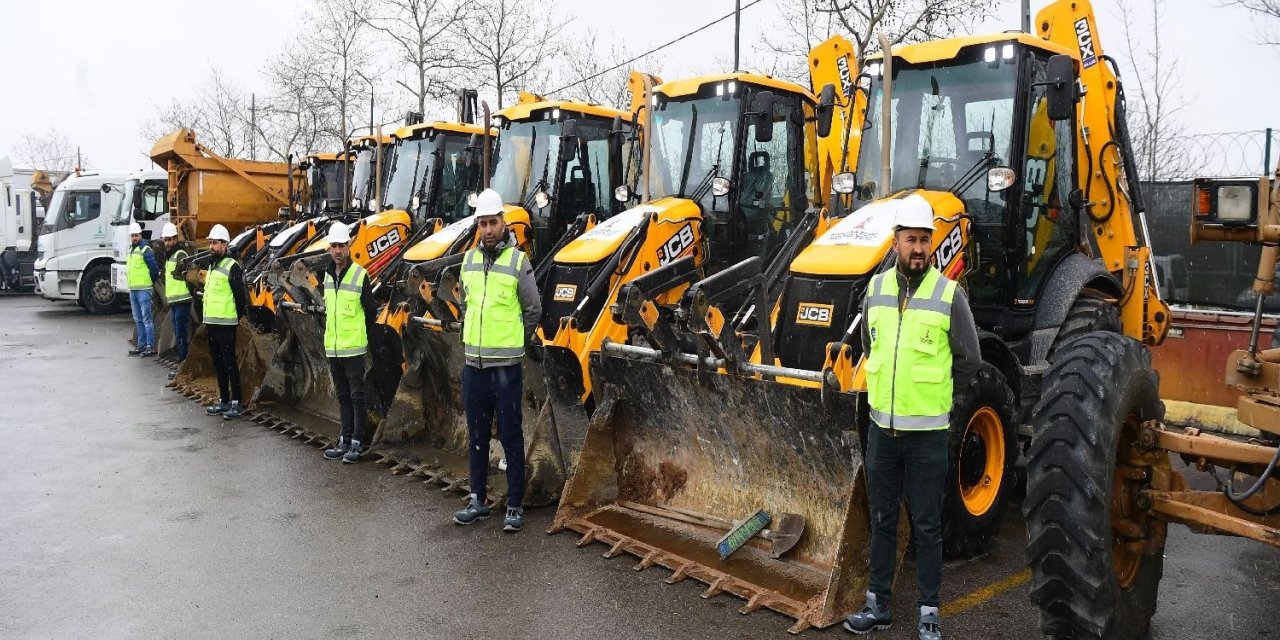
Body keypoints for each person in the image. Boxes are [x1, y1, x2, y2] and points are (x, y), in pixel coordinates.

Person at [845, 195, 980, 640]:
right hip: (883, 432)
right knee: (883, 520)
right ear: (896, 243)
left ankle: (928, 613)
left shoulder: (948, 295)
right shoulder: (876, 289)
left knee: (926, 526)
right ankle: (877, 605)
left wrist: (939, 405)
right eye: (910, 240)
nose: (917, 248)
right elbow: (869, 345)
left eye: (924, 240)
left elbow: (968, 362)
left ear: (931, 244)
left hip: (927, 437)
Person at [452, 188, 541, 532]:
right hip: (473, 367)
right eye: (483, 223)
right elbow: (466, 304)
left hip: (505, 368)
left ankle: (514, 503)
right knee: (476, 434)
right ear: (478, 225)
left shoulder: (519, 262)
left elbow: (533, 310)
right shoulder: (469, 261)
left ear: (503, 223)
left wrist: (515, 343)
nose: (488, 229)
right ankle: (478, 499)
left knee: (510, 435)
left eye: (493, 222)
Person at [318, 223, 378, 464]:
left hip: (353, 347)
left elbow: (371, 312)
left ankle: (357, 441)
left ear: (349, 246)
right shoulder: (327, 275)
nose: (337, 251)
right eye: (333, 246)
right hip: (333, 347)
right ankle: (344, 438)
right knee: (342, 395)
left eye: (341, 246)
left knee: (356, 395)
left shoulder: (360, 275)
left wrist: (357, 334)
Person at [202, 224, 249, 421]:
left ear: (225, 245)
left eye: (215, 243)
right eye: (211, 243)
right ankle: (224, 400)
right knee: (219, 364)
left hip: (226, 324)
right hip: (212, 323)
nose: (212, 246)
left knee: (230, 364)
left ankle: (236, 402)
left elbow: (240, 298)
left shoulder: (232, 267)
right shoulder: (212, 266)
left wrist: (237, 318)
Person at [161, 223, 193, 381]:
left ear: (175, 239)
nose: (167, 243)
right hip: (175, 301)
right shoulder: (171, 256)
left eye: (170, 240)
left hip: (182, 300)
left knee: (181, 334)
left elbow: (187, 274)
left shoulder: (179, 254)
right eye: (165, 240)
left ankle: (184, 365)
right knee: (179, 333)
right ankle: (183, 364)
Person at [126, 222, 161, 358]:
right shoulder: (131, 250)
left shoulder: (145, 250)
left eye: (136, 235)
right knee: (138, 319)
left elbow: (154, 270)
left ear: (140, 235)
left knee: (146, 319)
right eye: (132, 236)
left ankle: (149, 346)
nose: (134, 238)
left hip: (143, 289)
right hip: (134, 289)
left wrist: (149, 283)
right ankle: (141, 345)